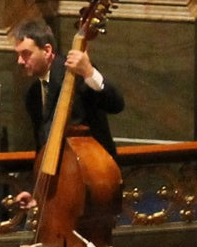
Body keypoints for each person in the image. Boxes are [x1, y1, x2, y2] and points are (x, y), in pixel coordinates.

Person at [13, 18, 122, 159]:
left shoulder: (76, 73)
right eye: (18, 55)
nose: (20, 61)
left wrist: (89, 72)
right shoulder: (33, 94)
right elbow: (42, 144)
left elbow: (116, 104)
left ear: (47, 51)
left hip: (92, 164)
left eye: (26, 54)